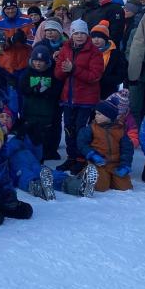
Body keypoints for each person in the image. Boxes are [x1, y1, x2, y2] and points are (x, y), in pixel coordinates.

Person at [54, 20, 104, 174]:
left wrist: (73, 69)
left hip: (86, 99)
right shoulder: (66, 48)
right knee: (69, 128)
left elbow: (95, 76)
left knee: (80, 129)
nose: (79, 36)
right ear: (72, 34)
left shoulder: (94, 52)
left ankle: (81, 159)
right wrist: (63, 70)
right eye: (76, 33)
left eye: (82, 33)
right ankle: (71, 157)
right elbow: (58, 73)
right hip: (68, 97)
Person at [77, 98, 134, 192]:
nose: (96, 116)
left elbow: (127, 149)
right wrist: (92, 154)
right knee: (101, 187)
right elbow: (82, 143)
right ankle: (85, 174)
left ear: (109, 116)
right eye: (96, 113)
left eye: (99, 114)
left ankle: (110, 178)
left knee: (125, 187)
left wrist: (125, 165)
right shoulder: (92, 128)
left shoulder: (120, 129)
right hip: (99, 163)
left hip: (115, 164)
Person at [17, 45, 62, 160]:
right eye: (36, 60)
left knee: (50, 132)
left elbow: (58, 89)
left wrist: (46, 92)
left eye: (41, 61)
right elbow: (22, 88)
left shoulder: (53, 72)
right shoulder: (27, 73)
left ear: (46, 61)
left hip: (49, 111)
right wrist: (34, 90)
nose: (38, 63)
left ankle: (50, 152)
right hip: (30, 110)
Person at [88, 20, 127, 99]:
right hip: (88, 92)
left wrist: (103, 79)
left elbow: (120, 75)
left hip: (108, 93)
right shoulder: (87, 52)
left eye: (99, 37)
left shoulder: (115, 54)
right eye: (94, 37)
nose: (96, 40)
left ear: (105, 38)